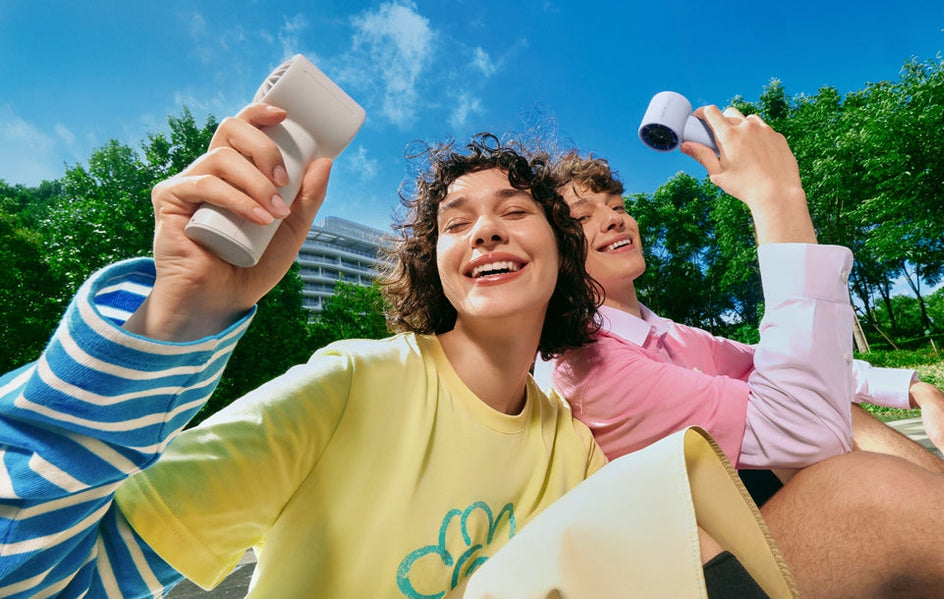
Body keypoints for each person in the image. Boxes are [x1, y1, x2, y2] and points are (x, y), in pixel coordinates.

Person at [0, 104, 803, 598]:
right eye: (456, 220)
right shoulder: (349, 386)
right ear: (434, 264)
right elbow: (45, 576)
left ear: (563, 256)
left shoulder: (570, 444)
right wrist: (173, 319)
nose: (484, 229)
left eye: (514, 211)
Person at [543, 104, 944, 588]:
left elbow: (772, 365)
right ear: (555, 251)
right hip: (701, 573)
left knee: (844, 416)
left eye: (617, 204)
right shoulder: (589, 367)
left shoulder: (665, 333)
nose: (614, 219)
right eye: (583, 218)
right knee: (853, 472)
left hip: (750, 516)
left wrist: (913, 387)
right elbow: (804, 421)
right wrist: (777, 196)